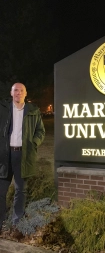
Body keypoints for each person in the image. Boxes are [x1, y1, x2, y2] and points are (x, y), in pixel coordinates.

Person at [0, 83, 45, 235]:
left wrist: (33, 143)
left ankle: (16, 222)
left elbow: (40, 131)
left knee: (21, 190)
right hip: (5, 155)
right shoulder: (4, 109)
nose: (18, 93)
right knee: (1, 191)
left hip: (23, 155)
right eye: (15, 90)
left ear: (25, 94)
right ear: (11, 93)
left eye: (21, 91)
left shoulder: (33, 111)